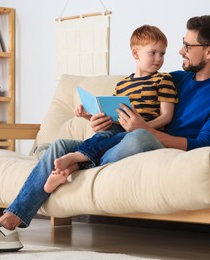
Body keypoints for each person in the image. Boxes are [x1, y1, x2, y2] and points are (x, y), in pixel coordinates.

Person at [0, 15, 210, 253]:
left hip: (153, 146)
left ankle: (76, 162)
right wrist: (101, 120)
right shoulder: (173, 78)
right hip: (119, 141)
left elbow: (205, 144)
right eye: (182, 43)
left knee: (139, 138)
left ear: (209, 51)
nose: (180, 51)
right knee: (60, 146)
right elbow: (133, 107)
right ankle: (7, 225)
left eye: (187, 46)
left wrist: (142, 128)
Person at [43, 25, 178, 194]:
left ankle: (75, 159)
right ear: (135, 53)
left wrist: (143, 125)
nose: (159, 58)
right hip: (118, 128)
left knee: (125, 136)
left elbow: (166, 116)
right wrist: (88, 116)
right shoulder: (122, 84)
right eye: (153, 53)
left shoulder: (163, 80)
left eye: (162, 53)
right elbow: (113, 116)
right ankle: (67, 170)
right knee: (104, 134)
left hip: (142, 132)